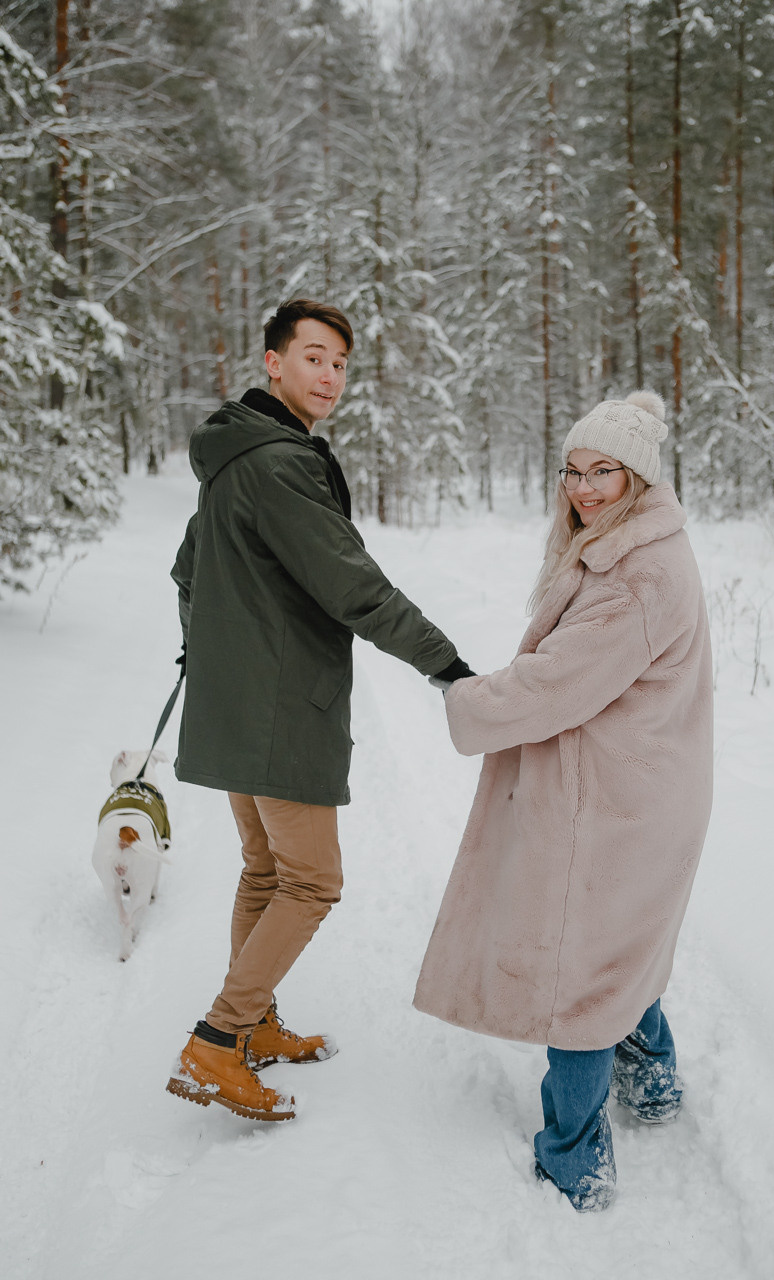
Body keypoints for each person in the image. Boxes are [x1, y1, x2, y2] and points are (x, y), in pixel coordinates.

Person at [166, 297, 473, 1122]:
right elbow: (353, 587)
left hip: (235, 703)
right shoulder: (277, 463)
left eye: (339, 362)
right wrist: (446, 664)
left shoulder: (234, 454)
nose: (329, 375)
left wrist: (216, 658)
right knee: (312, 882)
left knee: (265, 871)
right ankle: (216, 1042)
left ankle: (253, 1023)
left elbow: (188, 573)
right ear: (273, 362)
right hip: (275, 710)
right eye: (312, 357)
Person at [414, 391, 713, 1210]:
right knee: (623, 948)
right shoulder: (628, 547)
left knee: (577, 978)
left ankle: (574, 1159)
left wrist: (466, 696)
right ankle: (651, 1081)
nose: (583, 489)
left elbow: (555, 684)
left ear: (638, 478)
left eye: (602, 473)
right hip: (638, 792)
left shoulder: (639, 572)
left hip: (611, 804)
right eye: (573, 471)